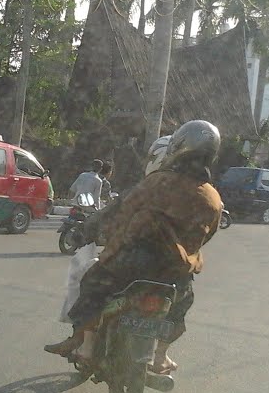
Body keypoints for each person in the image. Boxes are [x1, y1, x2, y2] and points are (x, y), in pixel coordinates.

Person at [45, 120, 223, 374]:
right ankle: (161, 355)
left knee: (91, 286)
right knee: (180, 306)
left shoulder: (157, 182)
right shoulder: (213, 198)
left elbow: (122, 211)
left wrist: (96, 232)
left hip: (131, 265)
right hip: (176, 273)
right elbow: (207, 235)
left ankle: (86, 346)